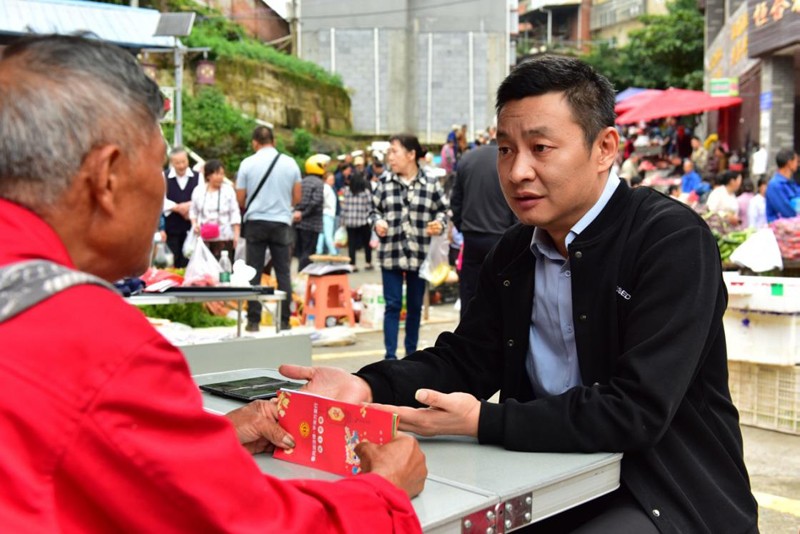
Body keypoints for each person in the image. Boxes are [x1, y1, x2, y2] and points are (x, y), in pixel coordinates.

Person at [281, 55, 758, 533]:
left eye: (540, 148)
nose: (516, 172)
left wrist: (484, 421)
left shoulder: (670, 240)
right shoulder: (514, 251)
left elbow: (637, 410)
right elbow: (468, 359)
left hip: (661, 488)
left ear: (604, 148)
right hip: (545, 473)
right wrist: (367, 386)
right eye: (506, 150)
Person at [0, 34, 427, 532]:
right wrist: (385, 490)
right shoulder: (95, 345)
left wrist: (205, 442)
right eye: (159, 165)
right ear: (108, 176)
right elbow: (253, 526)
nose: (162, 186)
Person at [369, 134, 448, 360]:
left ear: (411, 154)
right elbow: (374, 211)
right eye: (389, 152)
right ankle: (390, 358)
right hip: (390, 254)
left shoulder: (430, 183)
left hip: (419, 255)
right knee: (393, 306)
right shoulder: (384, 182)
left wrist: (439, 224)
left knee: (414, 307)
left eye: (394, 151)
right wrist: (377, 222)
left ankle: (411, 356)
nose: (390, 157)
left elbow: (443, 211)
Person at [236, 125, 301, 332]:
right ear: (274, 141)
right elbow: (297, 197)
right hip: (281, 222)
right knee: (283, 272)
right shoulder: (290, 163)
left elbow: (240, 198)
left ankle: (253, 321)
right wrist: (282, 206)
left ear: (254, 143)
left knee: (253, 272)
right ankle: (284, 321)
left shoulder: (247, 164)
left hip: (255, 222)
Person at [450, 128, 516, 318]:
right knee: (501, 293)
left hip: (472, 236)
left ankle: (467, 331)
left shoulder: (468, 159)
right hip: (501, 236)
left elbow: (456, 202)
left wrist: (462, 226)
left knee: (470, 292)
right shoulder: (509, 160)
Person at [189, 159, 241, 260]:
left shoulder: (228, 190)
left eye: (222, 174)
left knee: (223, 265)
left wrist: (236, 234)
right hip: (204, 236)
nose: (220, 177)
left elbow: (235, 212)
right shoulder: (198, 190)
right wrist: (194, 224)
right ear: (208, 175)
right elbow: (193, 211)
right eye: (217, 174)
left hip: (224, 237)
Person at [164, 147, 201, 268]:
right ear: (171, 162)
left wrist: (188, 206)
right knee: (172, 261)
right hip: (171, 226)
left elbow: (202, 197)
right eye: (177, 163)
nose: (181, 166)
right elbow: (160, 199)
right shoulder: (164, 176)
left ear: (188, 160)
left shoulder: (198, 176)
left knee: (190, 261)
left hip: (192, 227)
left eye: (183, 161)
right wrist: (177, 208)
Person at [293, 154, 328, 271]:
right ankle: (304, 274)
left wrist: (298, 213)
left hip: (299, 223)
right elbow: (316, 202)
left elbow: (295, 199)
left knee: (301, 252)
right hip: (312, 224)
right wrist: (304, 214)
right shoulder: (318, 183)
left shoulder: (302, 181)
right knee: (308, 253)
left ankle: (300, 273)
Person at [341, 171, 374, 271]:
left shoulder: (346, 191)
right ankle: (368, 263)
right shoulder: (366, 192)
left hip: (350, 221)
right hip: (363, 221)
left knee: (351, 244)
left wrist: (342, 221)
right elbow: (370, 207)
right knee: (367, 243)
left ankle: (352, 264)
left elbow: (344, 207)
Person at [765, 147, 800, 222]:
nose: (798, 164)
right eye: (797, 161)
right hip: (781, 227)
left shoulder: (791, 183)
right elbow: (786, 211)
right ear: (789, 163)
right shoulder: (774, 185)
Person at [316, 172, 338, 255]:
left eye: (333, 179)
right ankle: (333, 252)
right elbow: (321, 200)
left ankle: (319, 250)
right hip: (327, 213)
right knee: (328, 235)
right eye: (331, 179)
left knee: (322, 234)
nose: (333, 181)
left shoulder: (328, 188)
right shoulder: (326, 188)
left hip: (327, 213)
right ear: (325, 180)